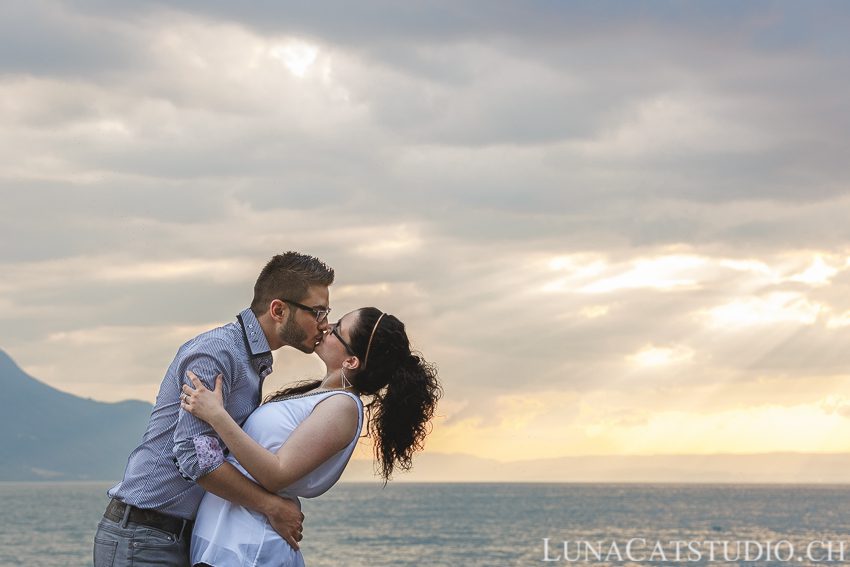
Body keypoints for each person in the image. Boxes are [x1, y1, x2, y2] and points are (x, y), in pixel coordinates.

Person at [93, 252, 335, 567]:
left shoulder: (250, 359)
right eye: (318, 312)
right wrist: (270, 506)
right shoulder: (218, 353)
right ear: (278, 310)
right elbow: (196, 457)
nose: (324, 324)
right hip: (145, 538)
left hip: (173, 536)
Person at [179, 307, 441, 567]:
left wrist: (217, 416)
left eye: (337, 329)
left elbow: (277, 473)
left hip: (250, 547)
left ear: (351, 362)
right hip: (228, 536)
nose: (326, 327)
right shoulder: (321, 396)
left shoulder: (343, 407)